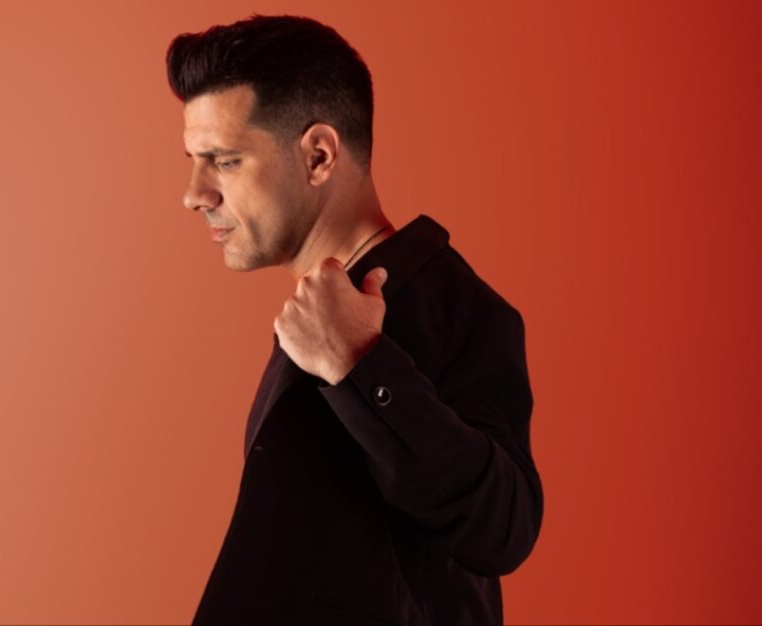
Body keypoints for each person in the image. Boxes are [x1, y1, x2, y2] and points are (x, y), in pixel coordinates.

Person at [167, 14, 543, 625]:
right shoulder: (316, 311)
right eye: (193, 160)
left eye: (225, 161)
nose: (194, 193)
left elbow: (506, 528)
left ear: (318, 156)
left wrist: (360, 364)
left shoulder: (454, 307)